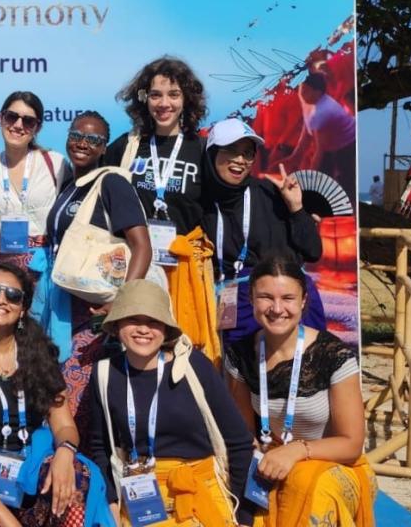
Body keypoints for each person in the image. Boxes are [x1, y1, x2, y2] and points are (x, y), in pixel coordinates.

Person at [0, 262, 110, 527]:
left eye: (13, 295)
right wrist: (10, 523)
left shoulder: (38, 355)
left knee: (76, 475)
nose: (1, 300)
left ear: (23, 308)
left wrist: (65, 451)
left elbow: (63, 424)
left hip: (28, 467)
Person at [88, 279, 256, 527]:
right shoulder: (104, 374)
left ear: (166, 328)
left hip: (204, 494)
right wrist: (111, 503)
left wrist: (244, 517)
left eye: (154, 321)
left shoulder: (195, 366)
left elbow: (239, 442)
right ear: (117, 324)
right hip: (140, 498)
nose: (143, 329)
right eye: (133, 319)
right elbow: (100, 446)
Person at [225, 253, 375, 526]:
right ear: (251, 299)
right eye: (266, 297)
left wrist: (296, 451)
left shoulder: (334, 355)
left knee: (311, 489)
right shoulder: (240, 355)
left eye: (288, 298)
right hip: (272, 462)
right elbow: (244, 434)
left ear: (304, 301)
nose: (277, 308)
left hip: (331, 465)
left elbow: (351, 445)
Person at [103, 56, 217, 363]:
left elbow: (222, 205)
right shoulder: (126, 146)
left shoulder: (202, 149)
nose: (163, 103)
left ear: (187, 99)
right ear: (144, 99)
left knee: (186, 358)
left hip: (185, 272)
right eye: (155, 95)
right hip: (138, 269)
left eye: (173, 94)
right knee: (141, 356)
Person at [46, 111, 152, 437]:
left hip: (94, 313)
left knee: (81, 406)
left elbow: (142, 246)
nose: (82, 143)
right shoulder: (71, 186)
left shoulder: (112, 182)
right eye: (77, 135)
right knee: (57, 395)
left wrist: (120, 305)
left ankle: (84, 478)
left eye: (93, 139)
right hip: (63, 308)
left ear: (104, 147)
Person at [202, 119, 323, 348]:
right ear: (212, 153)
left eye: (247, 153)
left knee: (297, 374)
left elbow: (313, 251)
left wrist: (297, 208)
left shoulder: (270, 193)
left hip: (284, 302)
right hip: (233, 302)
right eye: (231, 151)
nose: (240, 160)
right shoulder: (201, 201)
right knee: (241, 377)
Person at [0, 92, 68, 324]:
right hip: (2, 267)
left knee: (41, 337)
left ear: (37, 127)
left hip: (45, 266)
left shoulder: (55, 163)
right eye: (12, 117)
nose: (18, 125)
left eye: (28, 120)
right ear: (0, 119)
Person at [287, 73, 357, 198]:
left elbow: (320, 151)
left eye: (306, 91)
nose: (302, 93)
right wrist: (294, 157)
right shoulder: (307, 98)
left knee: (344, 183)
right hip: (333, 144)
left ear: (318, 93)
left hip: (348, 143)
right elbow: (307, 127)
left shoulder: (322, 111)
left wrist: (309, 179)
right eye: (301, 89)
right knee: (322, 179)